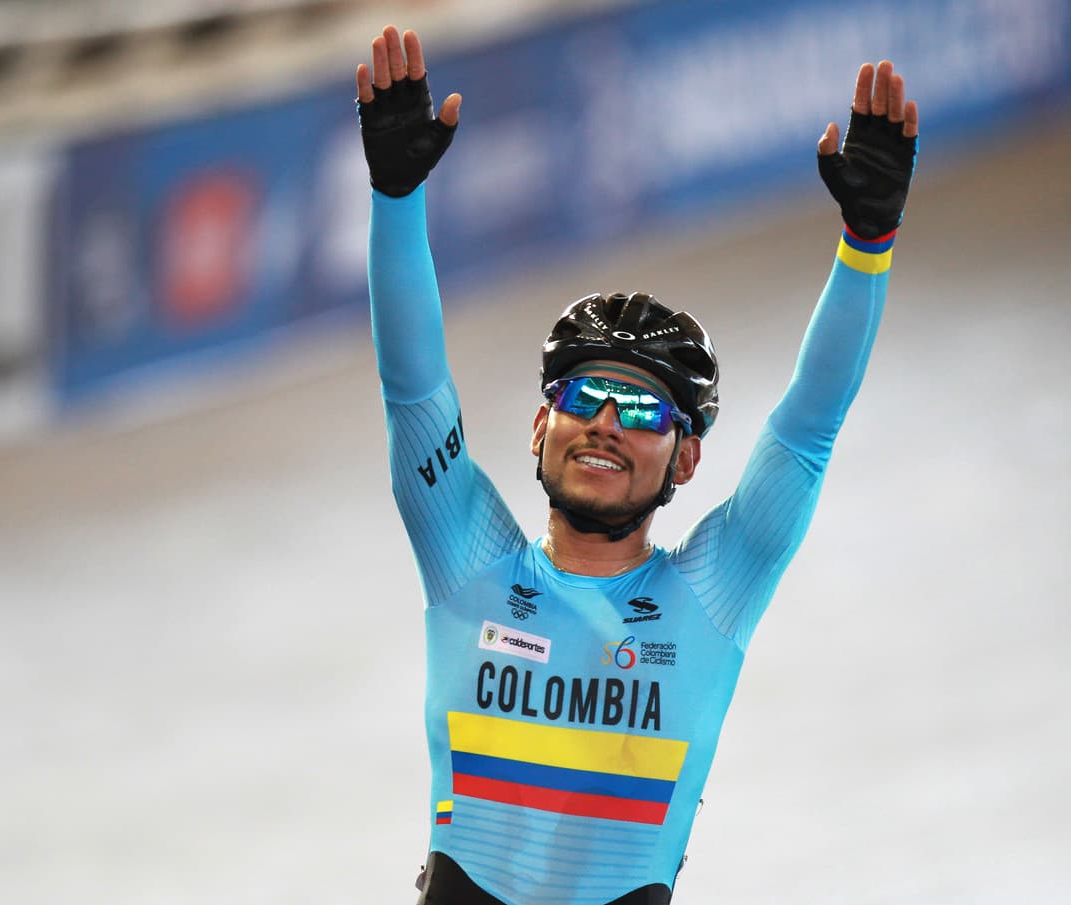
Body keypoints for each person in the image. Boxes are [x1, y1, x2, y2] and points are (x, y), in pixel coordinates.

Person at [357, 24, 917, 905]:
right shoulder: (464, 554)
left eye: (645, 409)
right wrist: (396, 197)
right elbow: (412, 386)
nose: (608, 424)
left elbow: (809, 426)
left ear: (686, 458)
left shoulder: (712, 591)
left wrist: (867, 241)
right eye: (585, 396)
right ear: (539, 425)